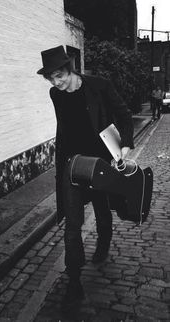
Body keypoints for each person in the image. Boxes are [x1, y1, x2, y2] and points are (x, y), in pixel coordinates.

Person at [37, 45, 134, 309]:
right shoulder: (55, 94)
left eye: (60, 75)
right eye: (51, 78)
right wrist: (63, 163)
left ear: (70, 69)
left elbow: (125, 117)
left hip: (100, 162)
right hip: (73, 165)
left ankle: (103, 243)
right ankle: (74, 280)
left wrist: (124, 146)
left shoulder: (99, 86)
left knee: (103, 209)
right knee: (72, 224)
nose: (56, 82)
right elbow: (66, 128)